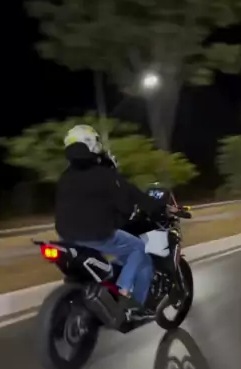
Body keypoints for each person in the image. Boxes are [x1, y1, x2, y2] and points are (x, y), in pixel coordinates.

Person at [55, 124, 167, 309]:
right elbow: (126, 206)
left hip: (66, 237)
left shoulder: (64, 177)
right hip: (96, 235)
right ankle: (127, 294)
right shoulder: (105, 174)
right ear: (92, 144)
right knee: (138, 248)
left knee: (110, 255)